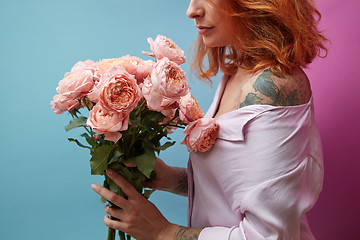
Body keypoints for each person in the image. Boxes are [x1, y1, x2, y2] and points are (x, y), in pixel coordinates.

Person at [91, 0, 328, 239]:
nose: (191, 10)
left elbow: (267, 236)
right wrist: (173, 179)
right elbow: (241, 189)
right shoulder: (239, 72)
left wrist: (163, 232)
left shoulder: (270, 87)